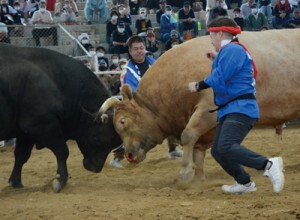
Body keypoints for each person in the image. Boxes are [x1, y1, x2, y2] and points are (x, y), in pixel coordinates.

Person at [188, 17, 285, 194]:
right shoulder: (232, 50)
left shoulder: (232, 49)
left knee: (225, 146)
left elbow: (220, 77)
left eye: (211, 35)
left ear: (219, 33)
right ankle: (245, 183)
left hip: (240, 108)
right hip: (233, 108)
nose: (210, 39)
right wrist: (218, 58)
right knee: (218, 151)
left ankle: (268, 164)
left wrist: (198, 85)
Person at [110, 35, 183, 168]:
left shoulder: (153, 62)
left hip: (156, 103)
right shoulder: (128, 70)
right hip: (137, 107)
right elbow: (133, 93)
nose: (139, 51)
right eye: (136, 49)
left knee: (170, 117)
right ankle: (117, 157)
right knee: (130, 128)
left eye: (141, 48)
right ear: (130, 52)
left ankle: (173, 149)